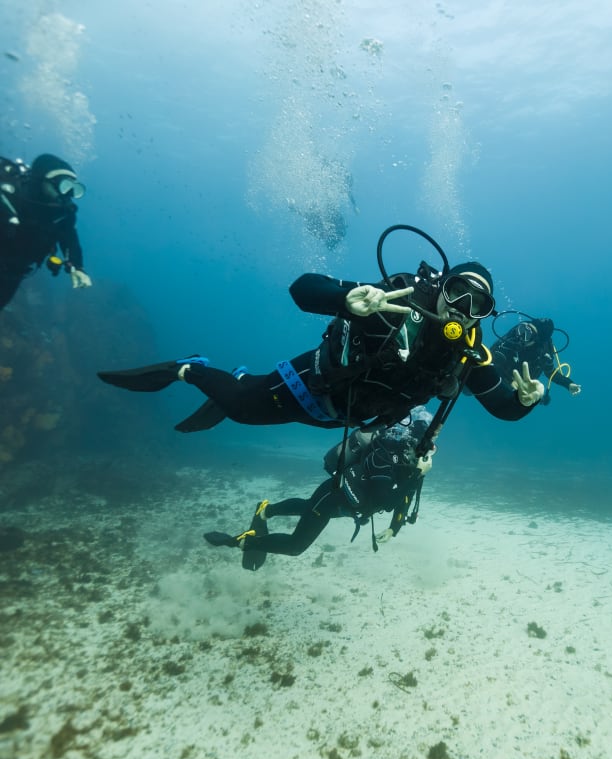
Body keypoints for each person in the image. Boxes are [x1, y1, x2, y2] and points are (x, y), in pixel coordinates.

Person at [98, 227, 544, 434]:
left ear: (485, 314)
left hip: (345, 418)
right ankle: (190, 369)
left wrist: (524, 402)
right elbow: (303, 288)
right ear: (441, 288)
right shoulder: (396, 302)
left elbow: (503, 408)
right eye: (458, 293)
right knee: (239, 407)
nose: (463, 310)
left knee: (239, 405)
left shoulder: (467, 353)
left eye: (478, 304)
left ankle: (232, 384)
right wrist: (342, 299)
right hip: (306, 389)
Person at [203, 408, 436, 570]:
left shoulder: (407, 460)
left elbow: (405, 496)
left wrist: (394, 527)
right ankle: (242, 541)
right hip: (332, 498)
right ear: (413, 440)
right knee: (296, 546)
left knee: (306, 506)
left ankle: (266, 509)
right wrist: (417, 474)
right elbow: (387, 500)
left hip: (344, 504)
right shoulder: (385, 456)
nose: (430, 450)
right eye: (428, 443)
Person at [1, 153, 92, 311]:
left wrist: (77, 267)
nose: (67, 194)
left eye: (73, 188)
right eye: (64, 185)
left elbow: (70, 238)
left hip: (15, 270)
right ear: (42, 181)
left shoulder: (63, 214)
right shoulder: (12, 194)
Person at [490, 317, 581, 405]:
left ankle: (538, 399)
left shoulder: (542, 354)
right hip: (499, 372)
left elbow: (551, 373)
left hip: (518, 384)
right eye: (522, 329)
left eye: (528, 334)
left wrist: (568, 384)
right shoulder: (514, 334)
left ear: (537, 340)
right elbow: (492, 352)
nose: (520, 335)